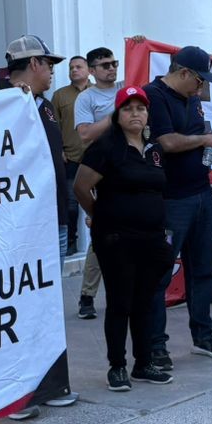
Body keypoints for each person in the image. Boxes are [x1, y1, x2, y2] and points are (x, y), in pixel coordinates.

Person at [73, 86, 173, 388]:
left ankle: (144, 363)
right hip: (117, 239)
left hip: (151, 239)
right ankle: (117, 366)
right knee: (120, 302)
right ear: (117, 115)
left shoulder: (154, 151)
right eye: (128, 108)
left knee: (144, 302)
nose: (135, 114)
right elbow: (80, 187)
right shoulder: (106, 148)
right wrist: (101, 216)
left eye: (140, 108)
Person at [1, 36, 78, 417]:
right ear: (33, 64)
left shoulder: (44, 106)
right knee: (23, 305)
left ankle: (50, 385)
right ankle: (18, 392)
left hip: (54, 216)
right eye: (48, 64)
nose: (52, 71)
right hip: (23, 224)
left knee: (47, 305)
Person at [146, 46, 212, 368]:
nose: (201, 88)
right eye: (199, 81)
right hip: (170, 199)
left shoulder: (193, 100)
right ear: (183, 73)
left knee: (202, 270)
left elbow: (199, 135)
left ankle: (203, 336)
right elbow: (166, 142)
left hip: (201, 194)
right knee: (160, 275)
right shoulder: (152, 96)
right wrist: (204, 142)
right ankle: (156, 345)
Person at [70, 48, 121, 320]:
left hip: (131, 166)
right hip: (102, 170)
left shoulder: (127, 87)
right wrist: (116, 117)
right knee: (103, 233)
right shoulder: (86, 98)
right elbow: (85, 135)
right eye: (104, 65)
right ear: (92, 70)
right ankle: (88, 295)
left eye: (114, 63)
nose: (111, 69)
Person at [53, 56, 91, 257]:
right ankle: (70, 243)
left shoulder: (99, 92)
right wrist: (59, 151)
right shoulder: (60, 96)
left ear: (89, 70)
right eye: (71, 67)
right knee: (70, 204)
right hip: (71, 158)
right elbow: (54, 127)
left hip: (97, 158)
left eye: (78, 67)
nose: (74, 70)